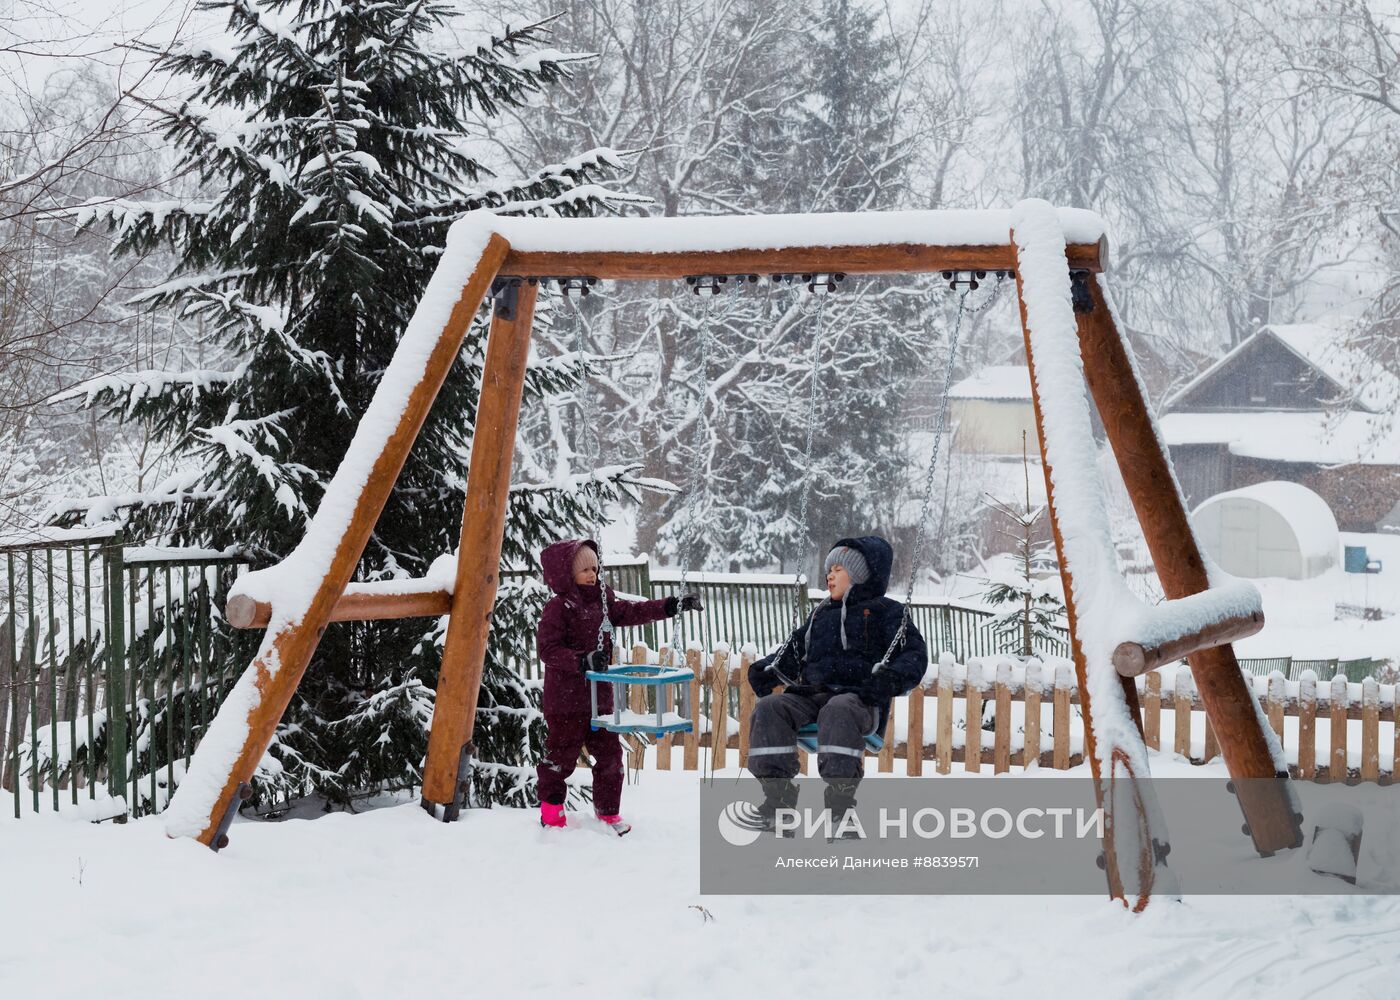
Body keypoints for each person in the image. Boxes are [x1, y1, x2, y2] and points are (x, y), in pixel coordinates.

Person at [746, 536, 927, 835]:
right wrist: (768, 669)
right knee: (770, 708)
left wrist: (889, 678)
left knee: (838, 709)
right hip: (811, 695)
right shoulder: (820, 615)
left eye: (838, 569)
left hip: (859, 699)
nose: (829, 575)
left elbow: (914, 655)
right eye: (829, 569)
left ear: (860, 575)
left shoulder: (886, 611)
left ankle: (841, 807)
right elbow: (791, 653)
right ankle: (777, 801)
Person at [535, 538, 702, 835]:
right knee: (561, 757)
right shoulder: (557, 608)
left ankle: (609, 812)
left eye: (595, 569)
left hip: (599, 699)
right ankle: (551, 812)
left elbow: (633, 612)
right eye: (585, 569)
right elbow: (548, 650)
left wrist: (671, 606)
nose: (592, 575)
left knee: (611, 756)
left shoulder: (603, 600)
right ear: (566, 573)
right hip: (565, 701)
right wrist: (582, 660)